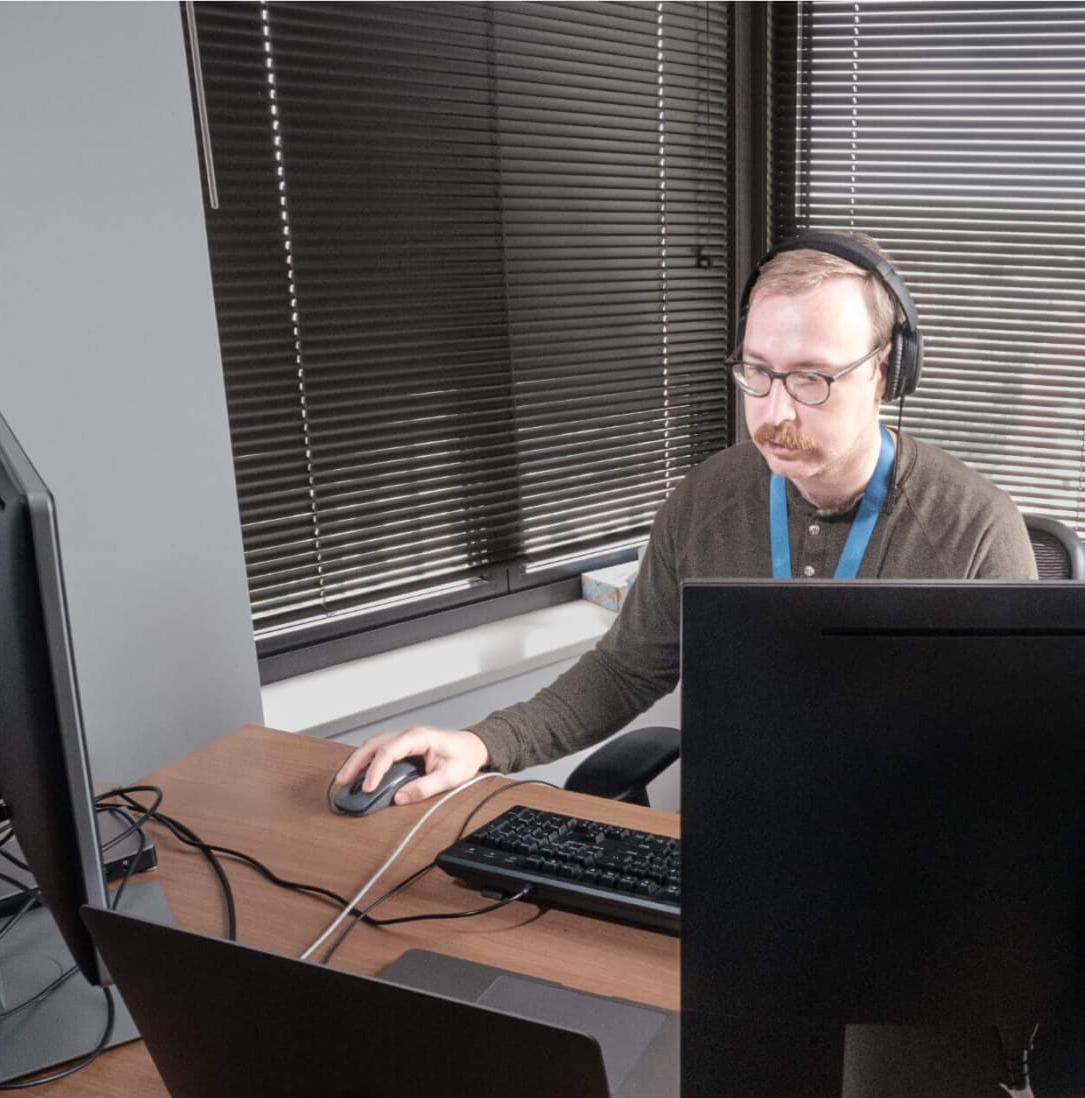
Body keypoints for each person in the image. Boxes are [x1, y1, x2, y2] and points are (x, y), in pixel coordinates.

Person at [333, 231, 1038, 805]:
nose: (776, 412)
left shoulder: (976, 533)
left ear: (885, 371)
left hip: (903, 850)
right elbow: (624, 671)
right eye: (757, 371)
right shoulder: (706, 499)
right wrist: (483, 743)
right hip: (733, 837)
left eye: (812, 378)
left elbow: (1008, 762)